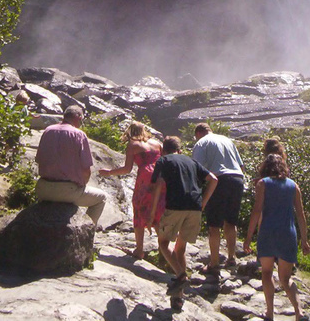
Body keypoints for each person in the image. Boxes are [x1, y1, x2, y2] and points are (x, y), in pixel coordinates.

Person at [243, 154, 310, 321]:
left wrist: (248, 237)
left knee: (266, 273)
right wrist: (305, 240)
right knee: (286, 278)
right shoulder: (293, 186)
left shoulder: (262, 184)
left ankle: (270, 313)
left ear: (265, 167)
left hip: (268, 232)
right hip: (288, 233)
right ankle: (299, 312)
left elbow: (257, 211)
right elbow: (301, 215)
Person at [148, 135, 218, 293]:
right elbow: (213, 179)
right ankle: (178, 296)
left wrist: (152, 214)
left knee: (163, 244)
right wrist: (203, 203)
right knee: (180, 249)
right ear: (179, 149)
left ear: (163, 150)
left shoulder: (163, 160)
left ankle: (181, 275)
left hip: (175, 206)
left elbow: (158, 184)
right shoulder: (191, 161)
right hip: (194, 207)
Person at [98, 121, 166, 259]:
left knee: (139, 209)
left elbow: (127, 169)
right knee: (158, 209)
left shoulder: (132, 145)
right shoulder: (157, 143)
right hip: (161, 177)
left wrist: (109, 172)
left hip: (145, 178)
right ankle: (164, 249)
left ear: (129, 132)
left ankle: (139, 250)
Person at [35, 105, 106, 226]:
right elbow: (86, 170)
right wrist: (81, 185)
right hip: (68, 191)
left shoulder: (48, 130)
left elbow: (39, 160)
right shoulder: (79, 135)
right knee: (101, 198)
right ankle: (87, 231)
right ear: (78, 117)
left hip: (43, 189)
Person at [192, 122, 245, 271]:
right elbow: (241, 166)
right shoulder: (227, 140)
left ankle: (214, 262)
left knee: (214, 225)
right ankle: (231, 257)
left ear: (198, 134)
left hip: (219, 180)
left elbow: (197, 168)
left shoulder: (201, 143)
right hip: (237, 179)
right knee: (231, 221)